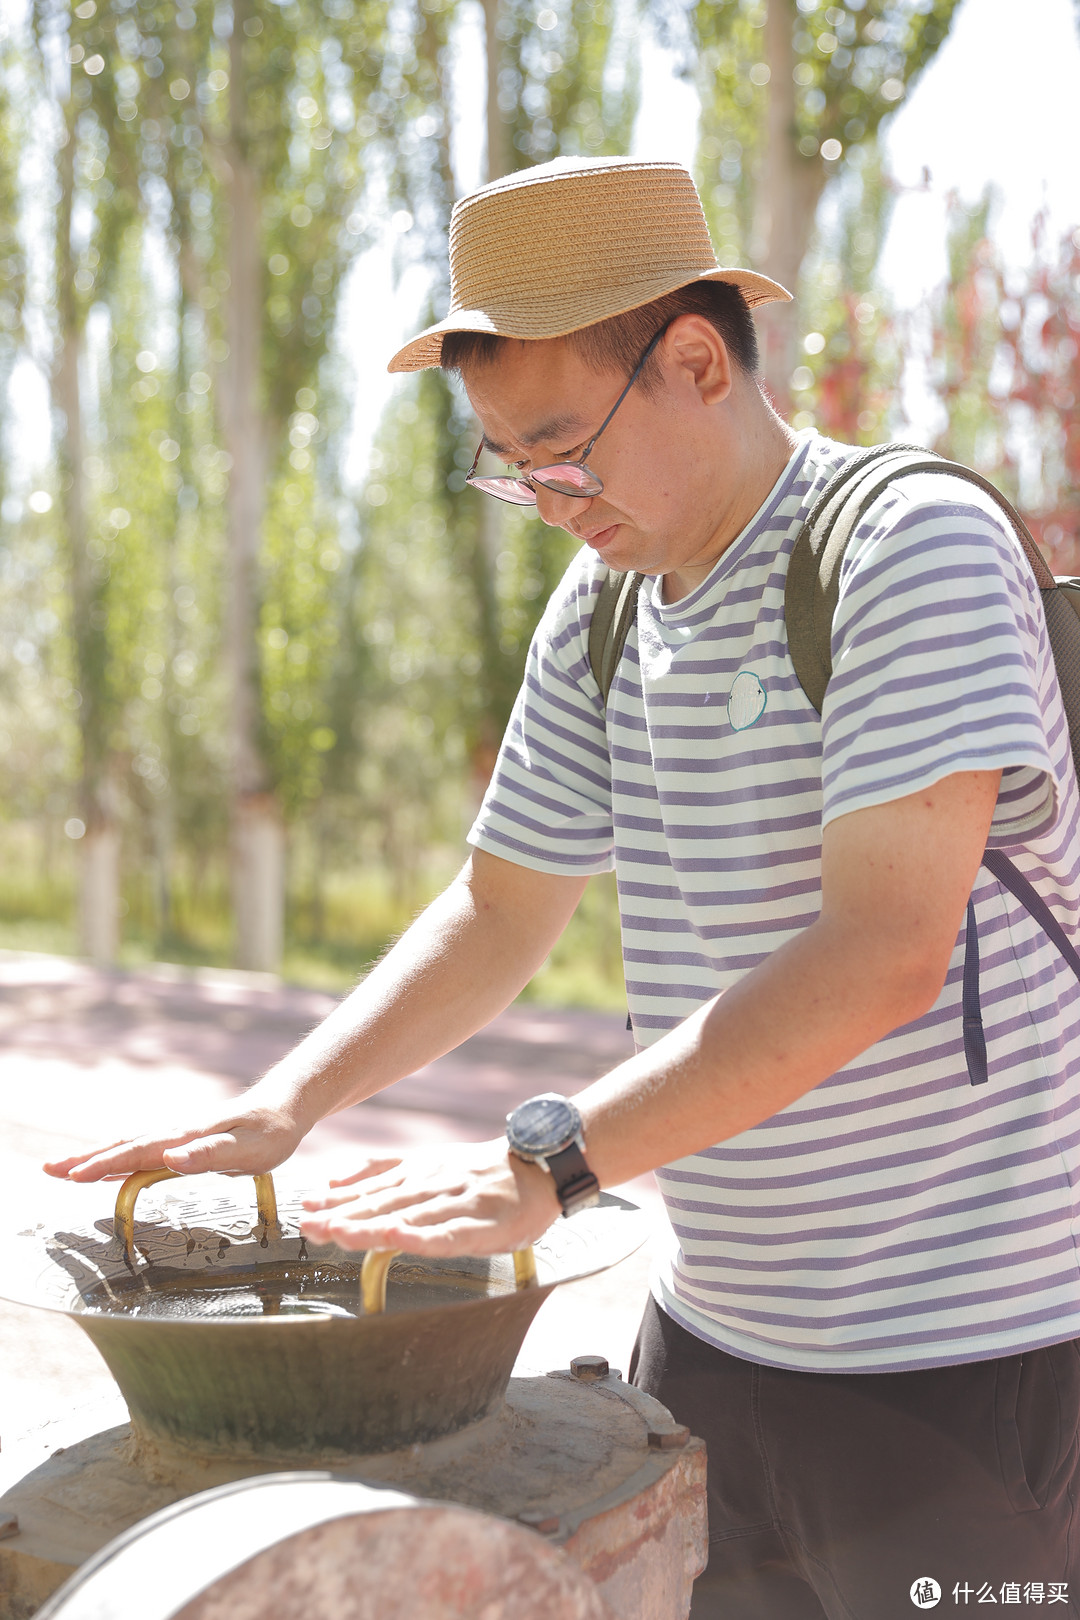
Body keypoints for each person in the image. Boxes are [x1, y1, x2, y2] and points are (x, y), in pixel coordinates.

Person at [46, 158, 1080, 1618]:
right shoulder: (602, 605)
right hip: (713, 1347)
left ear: (697, 363)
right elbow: (498, 908)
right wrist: (290, 1101)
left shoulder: (907, 552)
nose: (541, 497)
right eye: (506, 462)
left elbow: (885, 954)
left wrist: (554, 1161)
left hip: (961, 1365)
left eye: (561, 446)